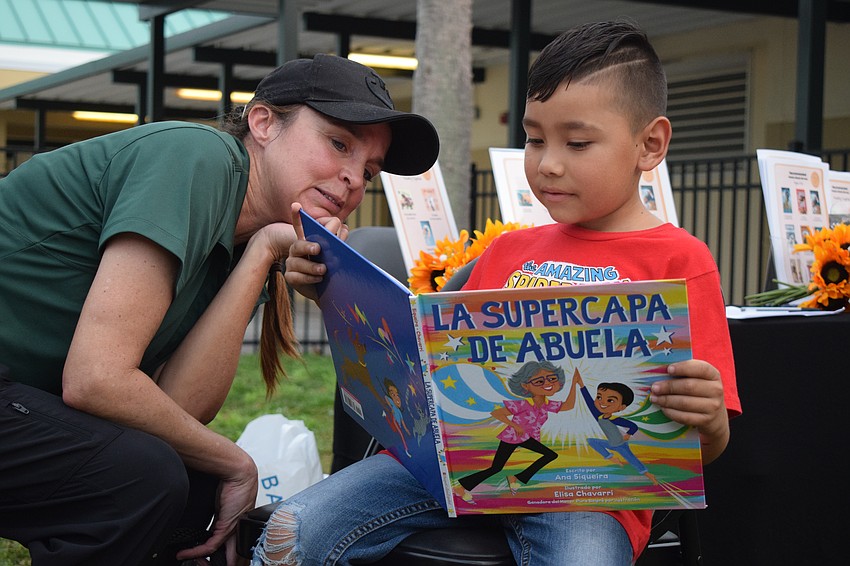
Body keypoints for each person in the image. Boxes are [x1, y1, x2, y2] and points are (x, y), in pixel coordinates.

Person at [265, 20, 741, 566]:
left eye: (577, 142)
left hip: (590, 497)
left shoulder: (680, 262)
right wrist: (331, 288)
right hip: (452, 466)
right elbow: (425, 349)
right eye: (534, 139)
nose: (548, 163)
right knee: (291, 530)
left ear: (650, 144)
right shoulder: (508, 252)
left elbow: (704, 444)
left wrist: (711, 421)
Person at [0, 53, 438, 566]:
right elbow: (96, 378)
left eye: (369, 170)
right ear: (264, 123)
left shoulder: (249, 234)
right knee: (145, 474)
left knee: (190, 474)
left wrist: (261, 254)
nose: (352, 181)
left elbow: (175, 407)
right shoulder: (195, 157)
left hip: (21, 395)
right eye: (338, 143)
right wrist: (237, 461)